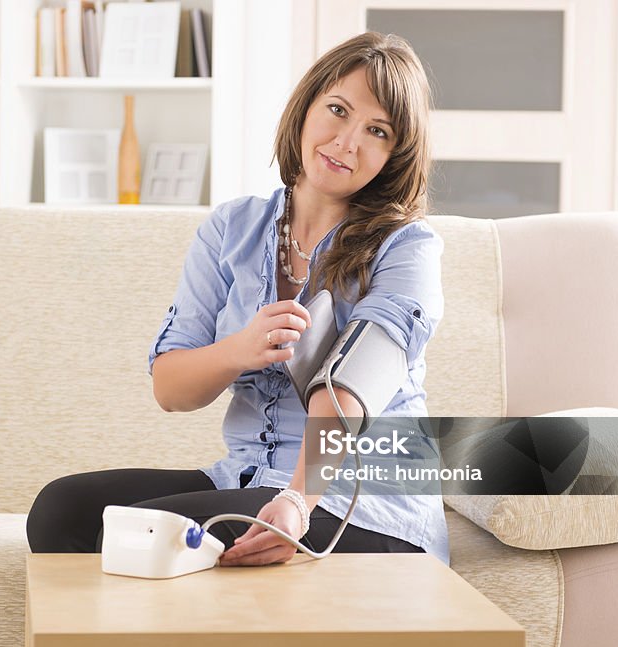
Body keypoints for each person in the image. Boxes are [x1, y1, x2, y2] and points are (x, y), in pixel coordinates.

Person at [29, 29, 447, 577]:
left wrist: (299, 501)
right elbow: (171, 388)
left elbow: (351, 385)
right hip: (245, 477)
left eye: (377, 131)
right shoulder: (232, 228)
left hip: (360, 500)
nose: (347, 142)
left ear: (395, 155)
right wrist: (240, 350)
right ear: (305, 109)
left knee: (162, 536)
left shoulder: (407, 246)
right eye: (338, 111)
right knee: (63, 511)